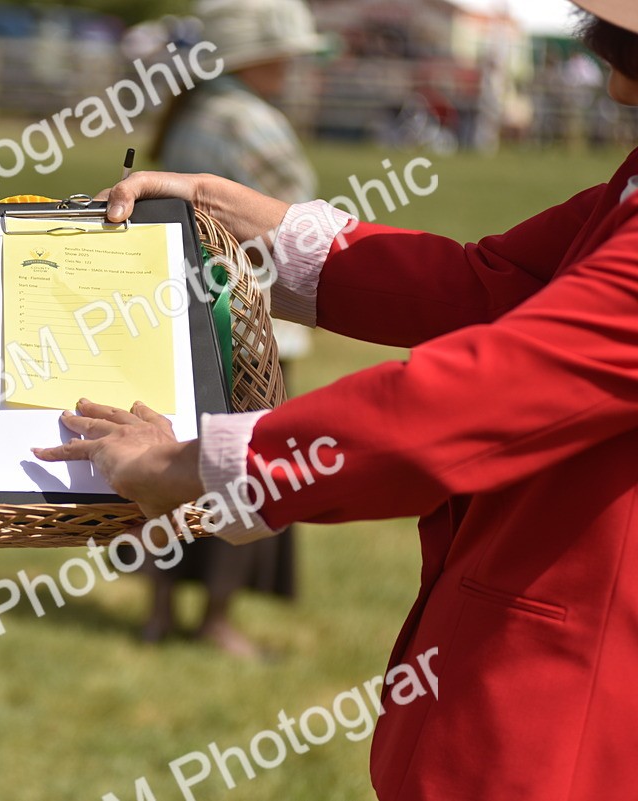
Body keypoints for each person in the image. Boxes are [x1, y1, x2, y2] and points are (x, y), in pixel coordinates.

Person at [33, 3, 638, 799]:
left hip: (564, 725)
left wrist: (197, 462)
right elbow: (483, 287)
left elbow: (470, 397)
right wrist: (248, 221)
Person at [134, 0, 325, 656]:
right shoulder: (252, 122)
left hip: (183, 311)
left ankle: (159, 607)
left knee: (170, 457)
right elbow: (298, 218)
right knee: (244, 465)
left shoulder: (191, 114)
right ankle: (217, 617)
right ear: (254, 55)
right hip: (250, 322)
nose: (295, 63)